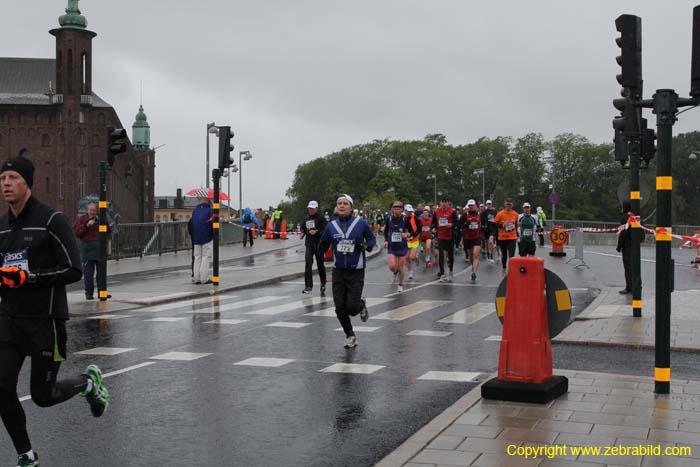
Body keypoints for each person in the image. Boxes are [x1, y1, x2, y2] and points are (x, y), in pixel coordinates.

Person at [0, 152, 109, 467]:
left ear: (28, 184)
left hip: (46, 320)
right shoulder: (2, 227)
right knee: (2, 387)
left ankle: (88, 382)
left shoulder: (51, 220)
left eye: (13, 179)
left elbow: (74, 270)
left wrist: (29, 277)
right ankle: (27, 455)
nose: (6, 184)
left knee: (42, 396)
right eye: (3, 179)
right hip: (9, 319)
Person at [319, 194, 376, 348]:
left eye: (345, 203)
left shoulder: (361, 223)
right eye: (339, 204)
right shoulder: (331, 226)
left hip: (356, 271)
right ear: (337, 207)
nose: (342, 206)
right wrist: (319, 250)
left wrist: (367, 246)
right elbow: (323, 242)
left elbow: (372, 239)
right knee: (339, 307)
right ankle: (350, 335)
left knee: (351, 308)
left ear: (351, 207)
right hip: (338, 271)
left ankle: (361, 304)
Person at [72, 202, 101, 300]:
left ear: (97, 211)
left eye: (94, 210)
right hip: (87, 250)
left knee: (101, 273)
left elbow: (108, 232)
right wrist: (87, 225)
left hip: (99, 250)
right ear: (87, 210)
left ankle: (102, 292)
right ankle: (89, 294)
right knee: (88, 274)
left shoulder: (101, 219)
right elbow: (77, 232)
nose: (92, 212)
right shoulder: (82, 219)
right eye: (91, 210)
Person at [301, 200, 327, 294]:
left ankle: (323, 283)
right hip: (309, 244)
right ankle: (308, 286)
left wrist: (317, 232)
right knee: (308, 263)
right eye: (309, 208)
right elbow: (303, 227)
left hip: (319, 244)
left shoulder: (321, 218)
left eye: (312, 208)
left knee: (320, 265)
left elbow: (325, 230)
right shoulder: (306, 217)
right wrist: (303, 233)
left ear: (316, 208)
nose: (310, 210)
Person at [431, 197, 459, 282]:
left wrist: (452, 224)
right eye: (442, 202)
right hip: (440, 236)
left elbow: (457, 223)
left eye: (445, 202)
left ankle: (450, 271)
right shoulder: (436, 212)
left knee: (450, 255)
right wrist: (433, 228)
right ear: (440, 203)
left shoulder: (452, 211)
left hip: (450, 236)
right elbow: (433, 223)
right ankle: (442, 273)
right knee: (441, 255)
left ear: (448, 203)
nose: (443, 204)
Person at [384, 202, 410, 292]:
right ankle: (394, 272)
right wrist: (386, 240)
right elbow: (386, 230)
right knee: (392, 266)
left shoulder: (406, 219)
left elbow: (411, 231)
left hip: (402, 246)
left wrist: (406, 234)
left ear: (402, 210)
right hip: (392, 246)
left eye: (399, 209)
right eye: (395, 208)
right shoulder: (388, 219)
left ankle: (400, 284)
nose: (396, 210)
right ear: (392, 210)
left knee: (400, 267)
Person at [192, 195, 215, 284]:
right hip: (207, 237)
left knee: (197, 257)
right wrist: (213, 235)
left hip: (196, 237)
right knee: (206, 257)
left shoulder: (195, 210)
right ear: (208, 200)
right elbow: (212, 224)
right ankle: (204, 278)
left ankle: (196, 278)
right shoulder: (209, 211)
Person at [493, 198, 519, 271]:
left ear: (512, 205)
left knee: (511, 255)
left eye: (510, 204)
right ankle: (504, 267)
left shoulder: (516, 214)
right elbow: (494, 225)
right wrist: (502, 225)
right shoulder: (500, 214)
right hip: (503, 238)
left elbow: (517, 225)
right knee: (504, 255)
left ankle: (511, 269)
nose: (508, 206)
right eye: (507, 204)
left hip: (512, 237)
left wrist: (518, 227)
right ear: (505, 204)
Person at [460, 200, 482, 283]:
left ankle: (474, 273)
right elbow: (459, 225)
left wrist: (484, 227)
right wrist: (466, 225)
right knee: (471, 256)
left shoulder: (480, 215)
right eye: (469, 205)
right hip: (467, 238)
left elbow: (485, 223)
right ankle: (473, 267)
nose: (471, 207)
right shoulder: (465, 215)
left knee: (476, 255)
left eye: (472, 205)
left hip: (477, 237)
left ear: (475, 206)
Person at [616, 201, 633, 294]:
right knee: (635, 267)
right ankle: (637, 285)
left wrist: (619, 246)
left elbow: (623, 234)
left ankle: (629, 287)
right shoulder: (636, 217)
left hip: (627, 246)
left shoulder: (625, 218)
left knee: (628, 267)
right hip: (635, 246)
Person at [403, 204, 420, 281]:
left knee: (411, 257)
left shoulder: (415, 218)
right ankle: (410, 272)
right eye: (408, 211)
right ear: (405, 211)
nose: (409, 213)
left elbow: (419, 228)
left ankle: (416, 257)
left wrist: (413, 235)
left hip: (414, 239)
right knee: (406, 258)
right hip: (406, 240)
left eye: (410, 211)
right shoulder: (403, 218)